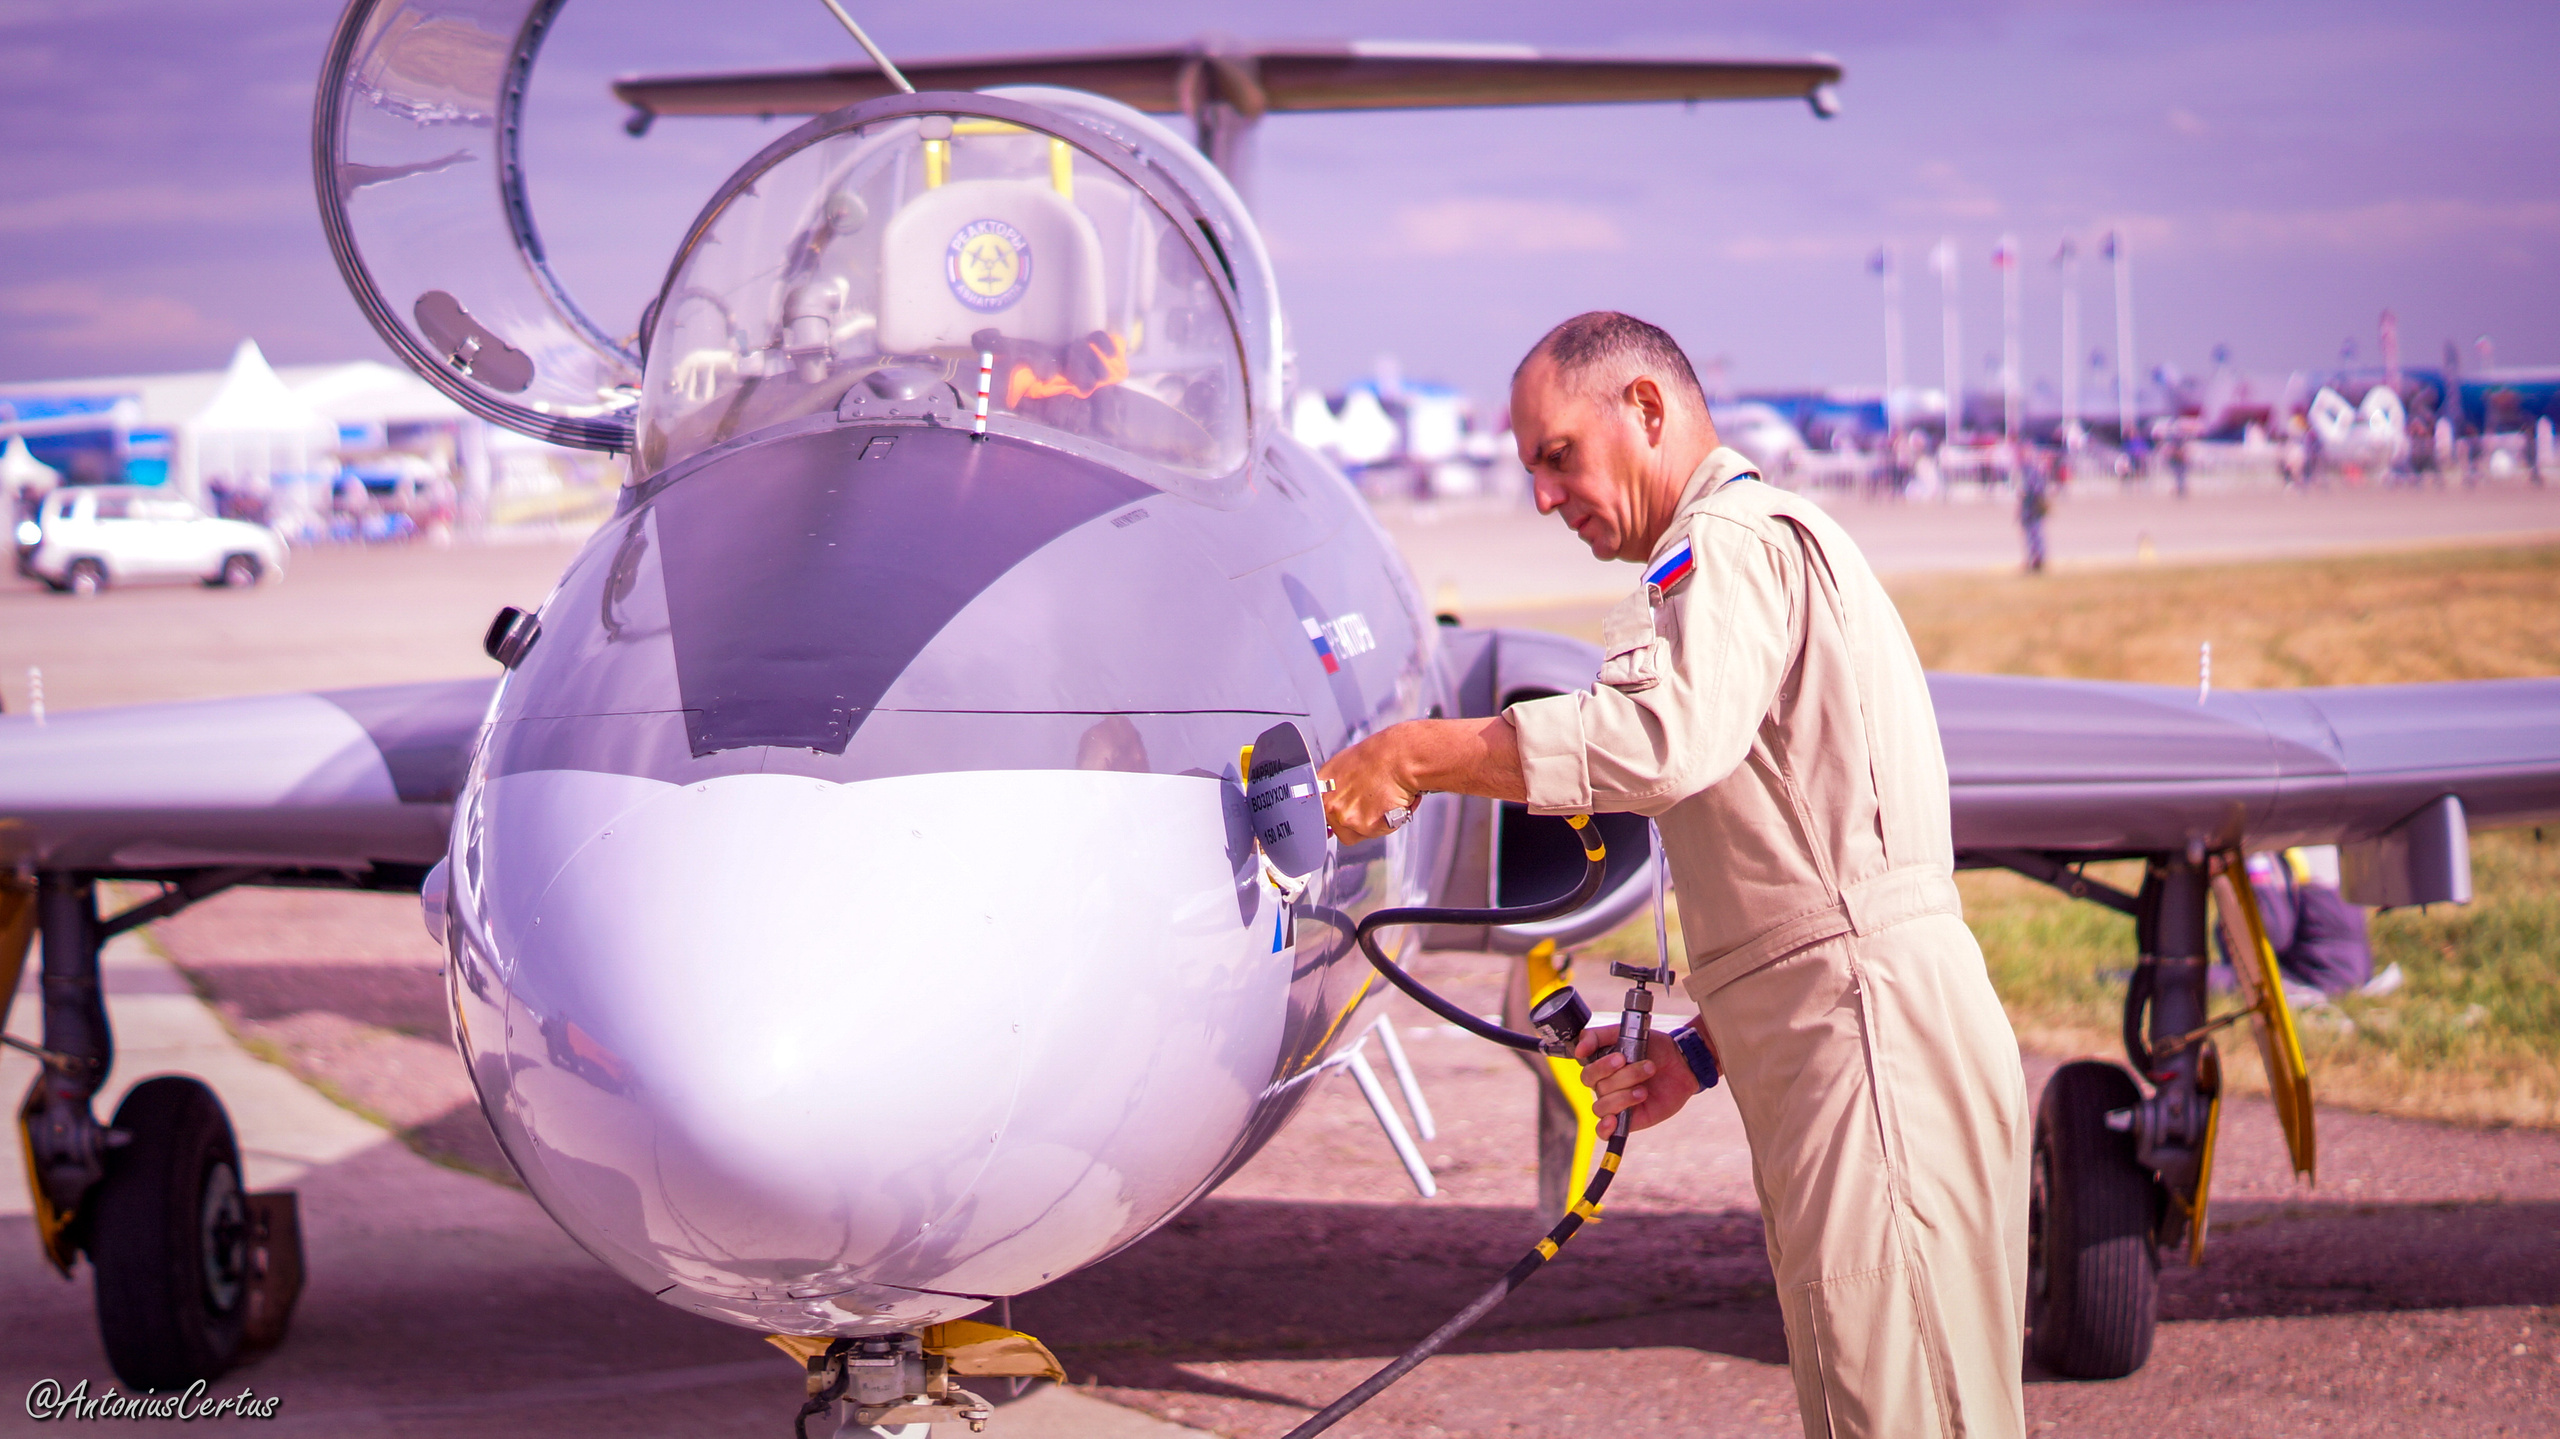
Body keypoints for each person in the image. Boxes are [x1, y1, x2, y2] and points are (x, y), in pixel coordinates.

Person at [1320, 312, 2029, 1439]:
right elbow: (1811, 880)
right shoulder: (1735, 553)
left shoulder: (1731, 541)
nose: (1545, 498)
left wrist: (1419, 755)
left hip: (1867, 1051)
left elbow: (1664, 744)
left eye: (1558, 455)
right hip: (1846, 1041)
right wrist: (1699, 1053)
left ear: (1645, 410)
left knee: (1904, 1411)